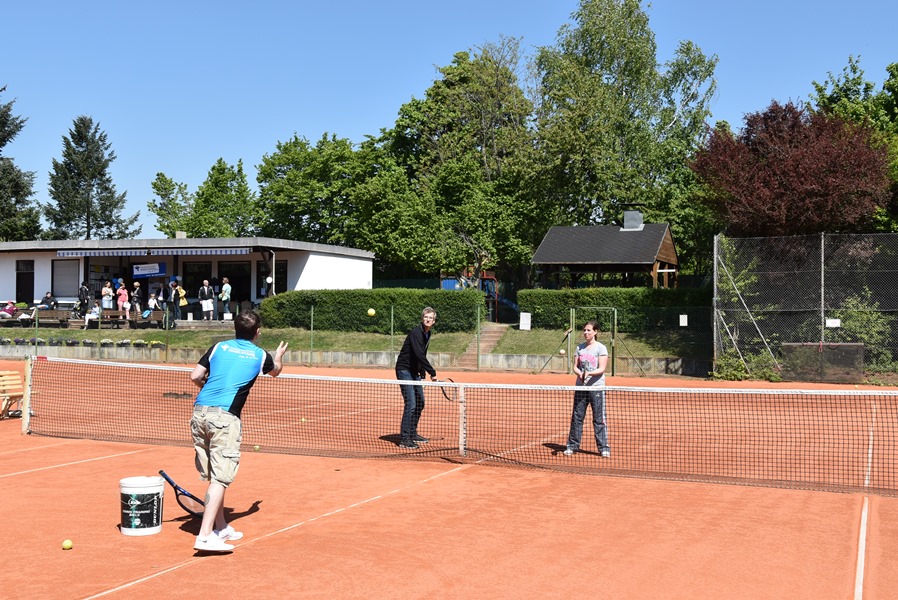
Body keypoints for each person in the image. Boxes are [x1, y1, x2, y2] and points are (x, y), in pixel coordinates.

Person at [189, 310, 288, 552]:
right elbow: (276, 371)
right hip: (225, 419)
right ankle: (204, 536)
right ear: (257, 332)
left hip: (199, 414)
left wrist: (209, 388)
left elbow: (196, 376)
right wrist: (278, 356)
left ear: (235, 329)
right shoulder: (260, 355)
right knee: (221, 478)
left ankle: (221, 527)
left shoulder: (218, 347)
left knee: (215, 476)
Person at [563, 321, 610, 458]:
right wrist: (579, 373)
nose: (586, 333)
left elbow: (601, 369)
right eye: (584, 330)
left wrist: (588, 373)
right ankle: (572, 446)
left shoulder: (601, 348)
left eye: (589, 330)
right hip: (581, 387)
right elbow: (575, 366)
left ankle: (604, 448)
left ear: (595, 332)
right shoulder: (580, 348)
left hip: (596, 388)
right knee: (577, 417)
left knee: (599, 419)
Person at [394, 307, 438, 449]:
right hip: (404, 370)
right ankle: (404, 439)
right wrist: (432, 372)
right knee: (411, 404)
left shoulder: (427, 333)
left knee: (420, 402)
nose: (428, 319)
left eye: (430, 318)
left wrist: (422, 374)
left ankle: (412, 433)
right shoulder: (416, 332)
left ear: (434, 321)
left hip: (415, 372)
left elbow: (421, 355)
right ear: (422, 318)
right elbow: (419, 354)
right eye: (426, 317)